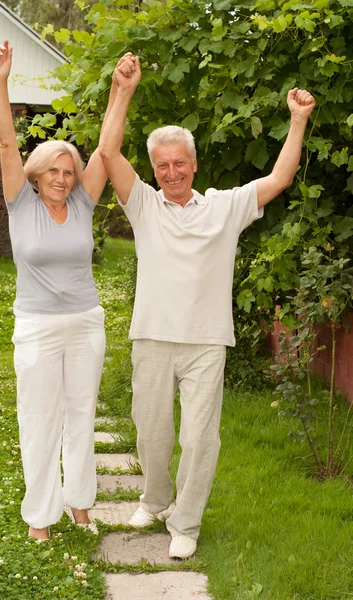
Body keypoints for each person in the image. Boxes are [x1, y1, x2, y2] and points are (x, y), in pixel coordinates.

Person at [99, 56, 316, 558]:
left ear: (193, 164)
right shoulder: (144, 205)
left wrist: (298, 120)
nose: (172, 172)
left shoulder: (224, 205)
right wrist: (122, 90)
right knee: (151, 432)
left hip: (205, 343)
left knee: (199, 439)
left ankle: (186, 523)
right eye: (162, 165)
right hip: (152, 336)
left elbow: (280, 177)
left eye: (180, 162)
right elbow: (108, 151)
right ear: (154, 169)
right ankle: (154, 500)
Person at [0, 40, 135, 541]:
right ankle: (41, 516)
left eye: (68, 172)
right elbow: (8, 143)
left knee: (80, 414)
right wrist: (1, 82)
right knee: (39, 419)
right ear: (36, 173)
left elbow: (105, 149)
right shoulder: (19, 203)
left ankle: (79, 505)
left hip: (85, 322)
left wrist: (122, 91)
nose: (61, 177)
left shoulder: (82, 204)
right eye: (52, 169)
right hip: (36, 327)